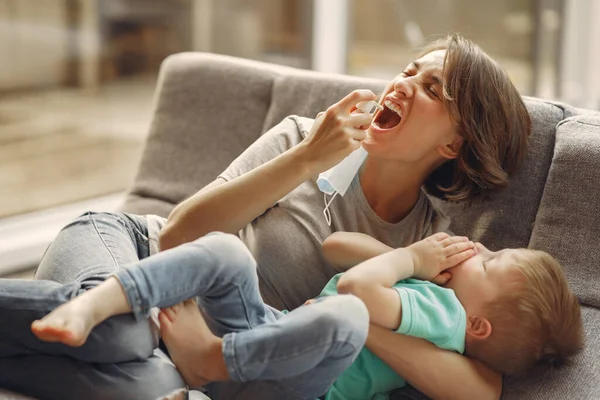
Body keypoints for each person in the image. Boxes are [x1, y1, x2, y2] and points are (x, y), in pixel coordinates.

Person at [0, 33, 531, 400]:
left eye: (432, 89)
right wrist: (305, 160)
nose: (403, 84)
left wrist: (363, 321)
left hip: (190, 352)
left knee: (150, 387)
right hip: (134, 252)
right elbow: (180, 235)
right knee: (121, 338)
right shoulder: (304, 138)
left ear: (455, 143)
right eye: (409, 71)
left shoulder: (428, 244)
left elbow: (483, 385)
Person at [20, 231, 582, 400]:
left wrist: (411, 259)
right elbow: (342, 248)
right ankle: (103, 301)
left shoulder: (442, 313)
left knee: (345, 317)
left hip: (295, 378)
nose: (478, 251)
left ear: (478, 324)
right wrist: (417, 258)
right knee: (227, 252)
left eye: (491, 262)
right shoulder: (436, 294)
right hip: (270, 334)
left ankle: (205, 359)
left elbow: (359, 292)